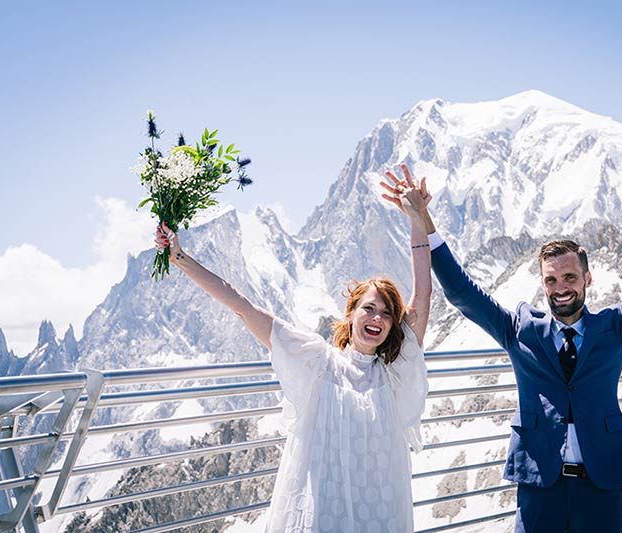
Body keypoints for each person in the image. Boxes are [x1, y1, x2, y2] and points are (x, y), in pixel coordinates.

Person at [381, 151, 622, 532]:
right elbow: (463, 293)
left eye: (569, 278)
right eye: (551, 280)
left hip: (601, 485)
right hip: (539, 485)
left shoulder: (616, 330)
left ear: (587, 279)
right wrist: (423, 220)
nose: (560, 288)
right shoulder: (521, 329)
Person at [154, 168, 432, 533]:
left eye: (385, 313)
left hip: (380, 511)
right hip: (324, 512)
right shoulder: (317, 361)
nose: (377, 318)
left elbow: (423, 293)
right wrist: (179, 257)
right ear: (350, 314)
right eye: (369, 308)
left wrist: (416, 218)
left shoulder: (393, 373)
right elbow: (243, 307)